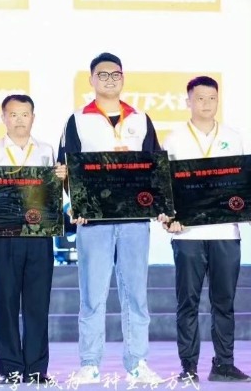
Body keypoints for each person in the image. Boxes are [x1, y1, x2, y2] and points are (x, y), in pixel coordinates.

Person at [58, 53, 168, 386]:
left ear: (123, 78)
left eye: (115, 74)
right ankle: (90, 363)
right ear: (91, 80)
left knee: (136, 295)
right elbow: (67, 168)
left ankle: (137, 363)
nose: (109, 79)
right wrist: (77, 204)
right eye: (102, 74)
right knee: (92, 295)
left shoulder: (141, 119)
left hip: (135, 219)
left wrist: (161, 206)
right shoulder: (78, 120)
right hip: (94, 221)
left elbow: (156, 166)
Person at [162, 76, 251, 383]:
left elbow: (241, 182)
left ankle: (223, 364)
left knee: (224, 303)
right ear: (188, 101)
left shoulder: (233, 137)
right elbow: (165, 187)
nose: (206, 104)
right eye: (199, 98)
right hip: (188, 234)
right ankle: (188, 367)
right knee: (187, 303)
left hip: (226, 232)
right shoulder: (173, 139)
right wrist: (168, 218)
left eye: (212, 98)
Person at [0, 94, 66, 385]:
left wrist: (63, 178)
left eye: (24, 114)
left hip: (39, 237)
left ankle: (37, 368)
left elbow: (54, 196)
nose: (19, 120)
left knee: (37, 304)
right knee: (5, 303)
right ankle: (11, 368)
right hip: (4, 237)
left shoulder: (46, 150)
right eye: (13, 114)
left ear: (33, 118)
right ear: (3, 118)